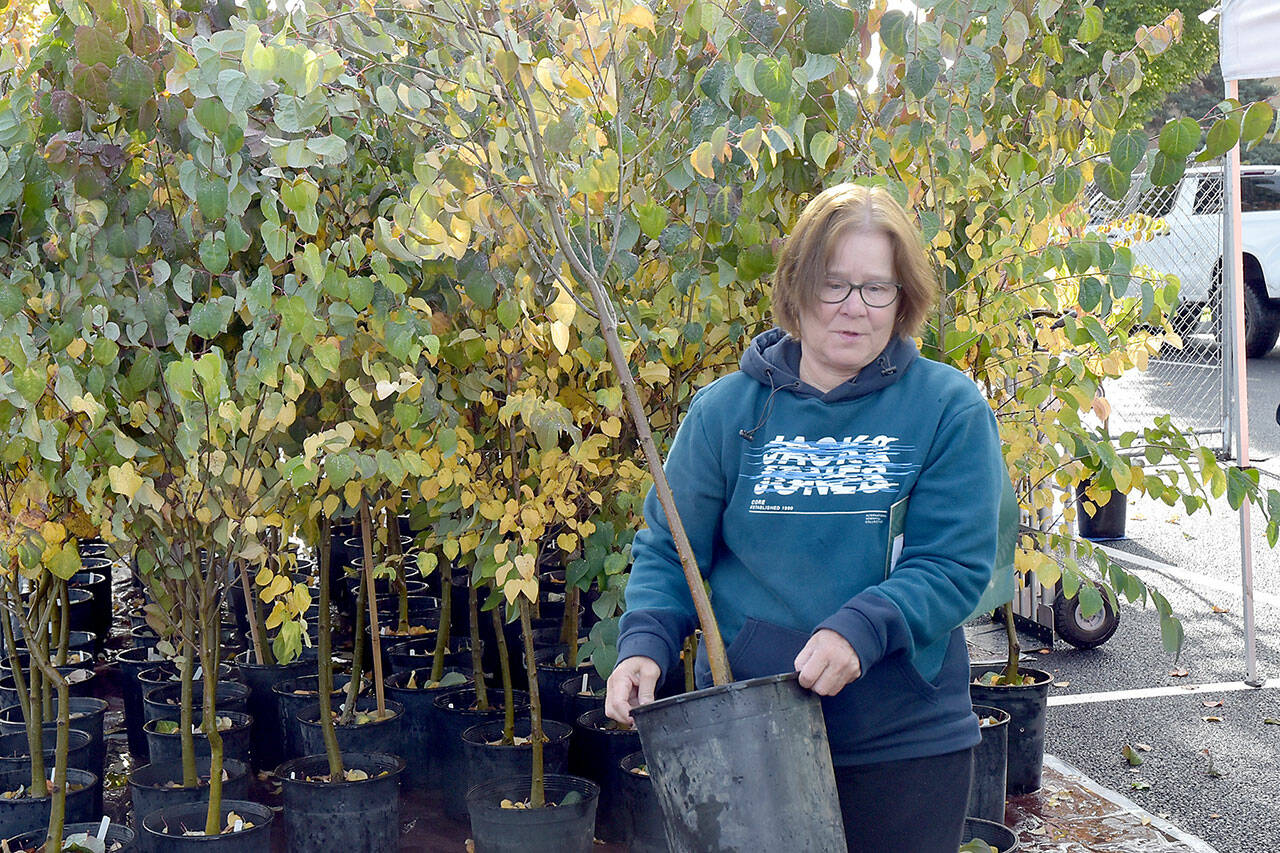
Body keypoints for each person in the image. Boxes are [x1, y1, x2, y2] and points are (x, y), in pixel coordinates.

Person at [604, 183, 1006, 852]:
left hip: (903, 744)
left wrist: (862, 630)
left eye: (877, 287)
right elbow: (672, 552)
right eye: (834, 284)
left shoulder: (947, 407)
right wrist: (643, 643)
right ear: (796, 288)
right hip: (745, 739)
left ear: (903, 297)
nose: (854, 307)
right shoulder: (724, 412)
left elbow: (954, 564)